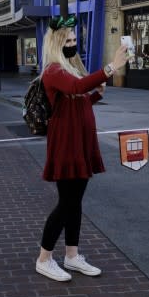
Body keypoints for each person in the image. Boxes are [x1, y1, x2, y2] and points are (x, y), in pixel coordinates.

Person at [34, 15, 130, 282]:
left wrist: (98, 93)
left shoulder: (71, 67)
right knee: (67, 203)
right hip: (66, 143)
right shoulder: (54, 71)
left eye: (75, 39)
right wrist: (110, 68)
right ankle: (44, 258)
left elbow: (79, 100)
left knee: (75, 203)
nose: (72, 44)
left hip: (81, 141)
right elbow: (76, 88)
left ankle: (72, 256)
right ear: (56, 43)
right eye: (68, 40)